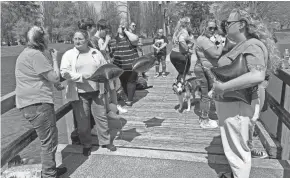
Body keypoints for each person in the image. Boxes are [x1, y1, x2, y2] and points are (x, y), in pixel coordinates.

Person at [212, 8, 281, 178]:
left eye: (228, 23)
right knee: (236, 149)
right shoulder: (243, 45)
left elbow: (256, 75)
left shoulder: (252, 45)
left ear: (241, 24)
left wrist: (223, 87)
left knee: (238, 155)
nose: (225, 26)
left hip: (237, 106)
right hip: (234, 105)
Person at [15, 26, 67, 178]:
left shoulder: (24, 54)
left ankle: (49, 169)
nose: (48, 39)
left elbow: (41, 76)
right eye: (46, 37)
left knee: (47, 139)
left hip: (27, 104)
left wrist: (55, 84)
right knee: (49, 141)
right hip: (38, 104)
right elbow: (55, 77)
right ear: (41, 39)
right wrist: (55, 59)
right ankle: (49, 174)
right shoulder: (35, 55)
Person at [60, 29, 117, 156]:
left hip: (97, 91)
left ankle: (106, 141)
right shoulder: (68, 55)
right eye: (75, 38)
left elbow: (105, 68)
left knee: (101, 117)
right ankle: (86, 144)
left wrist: (109, 80)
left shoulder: (96, 53)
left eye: (80, 38)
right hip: (79, 93)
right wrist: (81, 77)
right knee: (83, 120)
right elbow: (64, 72)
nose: (77, 41)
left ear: (86, 40)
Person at [194, 19, 223, 129]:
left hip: (205, 69)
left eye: (214, 28)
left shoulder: (205, 39)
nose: (212, 30)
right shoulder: (203, 40)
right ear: (204, 28)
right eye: (210, 28)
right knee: (206, 95)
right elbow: (216, 54)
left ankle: (204, 117)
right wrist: (220, 42)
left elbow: (213, 49)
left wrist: (216, 41)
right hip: (204, 69)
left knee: (207, 94)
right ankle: (204, 120)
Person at [94, 19, 128, 113]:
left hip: (108, 66)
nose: (107, 33)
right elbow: (101, 51)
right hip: (103, 69)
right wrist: (107, 41)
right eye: (106, 31)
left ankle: (114, 106)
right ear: (100, 29)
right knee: (106, 90)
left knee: (113, 88)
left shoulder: (102, 39)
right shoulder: (96, 40)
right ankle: (109, 109)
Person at [110, 24, 140, 107]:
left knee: (131, 81)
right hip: (120, 66)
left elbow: (135, 38)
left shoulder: (130, 39)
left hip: (132, 65)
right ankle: (128, 96)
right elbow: (111, 53)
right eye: (120, 26)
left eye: (124, 27)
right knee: (123, 82)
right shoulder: (113, 40)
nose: (122, 28)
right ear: (117, 29)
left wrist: (125, 31)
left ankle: (130, 100)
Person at [170, 17, 193, 82]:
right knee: (184, 73)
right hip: (180, 55)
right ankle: (180, 88)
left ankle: (178, 85)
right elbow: (181, 40)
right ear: (187, 24)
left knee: (181, 73)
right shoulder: (184, 31)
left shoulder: (176, 31)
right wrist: (188, 49)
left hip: (173, 54)